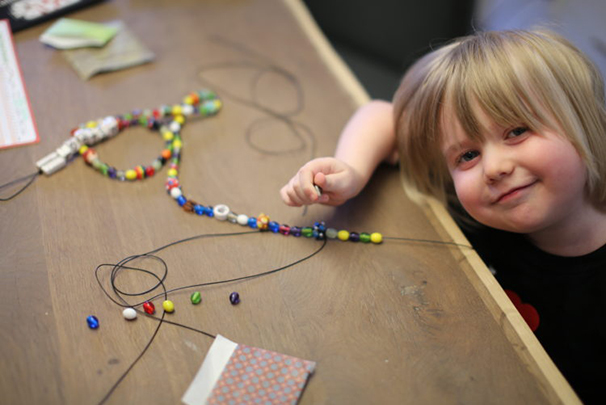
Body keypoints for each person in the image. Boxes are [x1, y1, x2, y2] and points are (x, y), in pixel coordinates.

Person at [280, 30, 606, 404]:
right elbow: (382, 115)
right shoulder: (482, 202)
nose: (494, 168)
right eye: (466, 156)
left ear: (585, 118)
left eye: (517, 131)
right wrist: (351, 169)